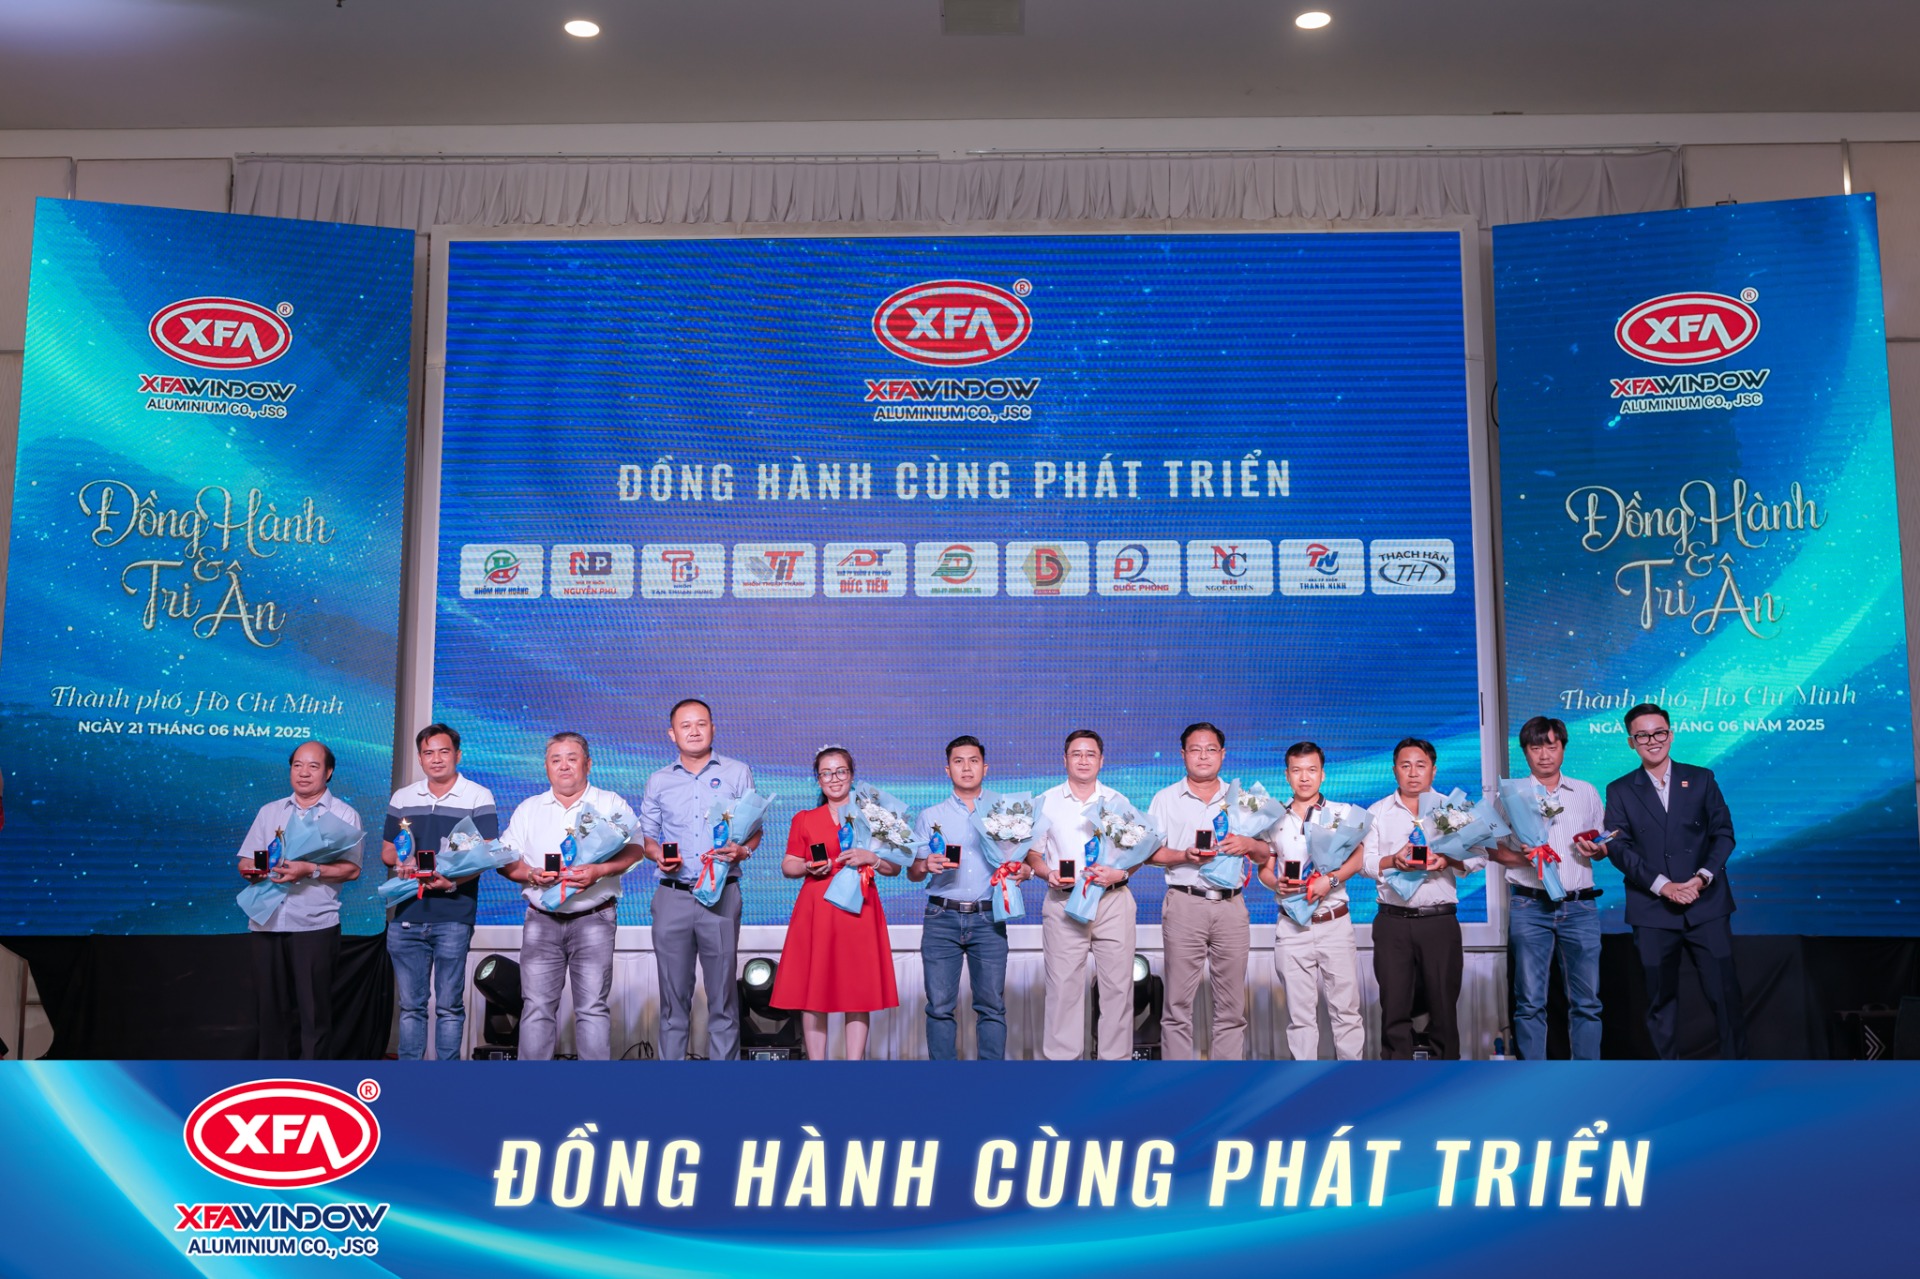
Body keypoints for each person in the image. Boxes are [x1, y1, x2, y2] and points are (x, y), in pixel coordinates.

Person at [1602, 703, 1747, 1059]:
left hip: (1706, 904)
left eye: (1659, 733)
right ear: (1631, 742)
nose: (1653, 741)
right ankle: (1668, 1075)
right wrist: (1663, 886)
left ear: (1671, 734)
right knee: (1659, 1000)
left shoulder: (1701, 779)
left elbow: (1724, 834)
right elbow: (1618, 847)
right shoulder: (1620, 789)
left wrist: (1701, 879)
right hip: (1652, 909)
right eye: (1642, 735)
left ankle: (1737, 1072)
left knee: (1725, 995)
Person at [499, 732, 645, 1060]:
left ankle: (591, 1086)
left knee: (592, 1008)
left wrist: (601, 870)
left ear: (588, 764)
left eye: (572, 758)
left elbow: (636, 849)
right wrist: (531, 874)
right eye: (556, 759)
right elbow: (505, 861)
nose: (564, 766)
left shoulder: (610, 803)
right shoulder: (529, 809)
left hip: (594, 919)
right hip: (541, 921)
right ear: (546, 767)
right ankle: (532, 1086)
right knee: (536, 1007)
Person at [639, 698, 762, 1061]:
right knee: (672, 998)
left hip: (721, 894)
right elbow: (647, 837)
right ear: (672, 734)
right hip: (672, 896)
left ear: (712, 728)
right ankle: (673, 1081)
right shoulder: (659, 780)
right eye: (685, 725)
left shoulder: (738, 772)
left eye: (701, 724)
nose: (694, 731)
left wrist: (743, 850)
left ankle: (724, 1083)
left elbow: (754, 830)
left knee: (723, 997)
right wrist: (656, 854)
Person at [1146, 722, 1272, 1060]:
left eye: (1211, 749)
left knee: (1231, 1006)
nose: (1203, 756)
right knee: (1177, 1005)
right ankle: (1178, 1080)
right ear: (1183, 754)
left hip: (1231, 907)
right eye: (1195, 749)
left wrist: (1248, 844)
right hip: (1185, 903)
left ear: (1223, 754)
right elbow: (1148, 854)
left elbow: (1266, 854)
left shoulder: (1243, 800)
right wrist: (1183, 855)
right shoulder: (1165, 799)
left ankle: (1222, 1079)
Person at [1488, 715, 1606, 1061]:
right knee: (1529, 1002)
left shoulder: (1585, 792)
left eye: (1551, 746)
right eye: (1535, 747)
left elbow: (1602, 844)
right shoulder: (1510, 795)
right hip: (1530, 906)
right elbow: (1490, 848)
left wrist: (1598, 849)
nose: (1544, 755)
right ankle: (1533, 1077)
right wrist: (1525, 858)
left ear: (1563, 748)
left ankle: (1586, 1075)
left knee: (1587, 1002)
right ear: (1525, 751)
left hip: (1580, 907)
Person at [236, 740, 363, 1059]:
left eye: (313, 766)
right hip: (266, 923)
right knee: (269, 1015)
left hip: (314, 925)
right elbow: (245, 861)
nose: (304, 773)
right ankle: (273, 1080)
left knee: (314, 1015)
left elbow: (351, 870)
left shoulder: (343, 814)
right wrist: (255, 870)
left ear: (328, 772)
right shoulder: (270, 811)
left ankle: (312, 1080)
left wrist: (310, 869)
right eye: (297, 765)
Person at [770, 746, 900, 1059]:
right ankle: (818, 1068)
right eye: (826, 773)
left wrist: (871, 857)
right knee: (815, 990)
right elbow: (789, 864)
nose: (834, 778)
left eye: (841, 771)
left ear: (852, 775)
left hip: (859, 908)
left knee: (857, 990)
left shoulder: (874, 816)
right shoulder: (804, 819)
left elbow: (895, 867)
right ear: (818, 780)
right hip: (817, 908)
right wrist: (808, 866)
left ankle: (853, 1067)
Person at [381, 723, 498, 1061]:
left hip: (454, 915)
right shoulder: (403, 798)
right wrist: (403, 861)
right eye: (428, 753)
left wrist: (453, 882)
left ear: (457, 755)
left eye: (443, 751)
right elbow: (387, 851)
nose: (436, 759)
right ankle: (411, 1079)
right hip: (406, 915)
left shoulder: (478, 796)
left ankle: (447, 1079)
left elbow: (487, 852)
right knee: (410, 1007)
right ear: (420, 758)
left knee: (449, 1006)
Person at [1362, 737, 1484, 1060]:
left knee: (1443, 1006)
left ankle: (1446, 1075)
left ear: (1433, 770)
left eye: (1421, 765)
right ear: (1394, 770)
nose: (1413, 773)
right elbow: (1364, 863)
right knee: (1394, 1007)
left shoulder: (1454, 808)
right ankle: (1396, 1075)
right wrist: (1393, 860)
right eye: (1405, 766)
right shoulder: (1378, 812)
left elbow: (1480, 856)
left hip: (1439, 921)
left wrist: (1447, 860)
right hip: (1392, 921)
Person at [1029, 729, 1137, 1060]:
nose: (1083, 760)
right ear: (1065, 760)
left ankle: (1113, 1069)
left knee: (1118, 990)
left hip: (1112, 900)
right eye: (1076, 754)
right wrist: (1047, 872)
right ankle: (1064, 1070)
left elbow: (1138, 851)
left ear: (1101, 761)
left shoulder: (1118, 802)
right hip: (1064, 902)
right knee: (1063, 990)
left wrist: (1121, 873)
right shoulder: (1046, 801)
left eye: (1090, 754)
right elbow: (1033, 853)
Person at [1256, 741, 1367, 1061]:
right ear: (1287, 775)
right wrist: (1276, 883)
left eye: (1311, 770)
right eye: (1297, 770)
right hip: (1292, 926)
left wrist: (1329, 881)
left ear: (1323, 774)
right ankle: (1305, 1080)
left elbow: (1358, 858)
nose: (1304, 777)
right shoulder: (1272, 818)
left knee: (1346, 1011)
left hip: (1334, 921)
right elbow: (1265, 869)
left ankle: (1352, 1079)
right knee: (1300, 1016)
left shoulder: (1342, 813)